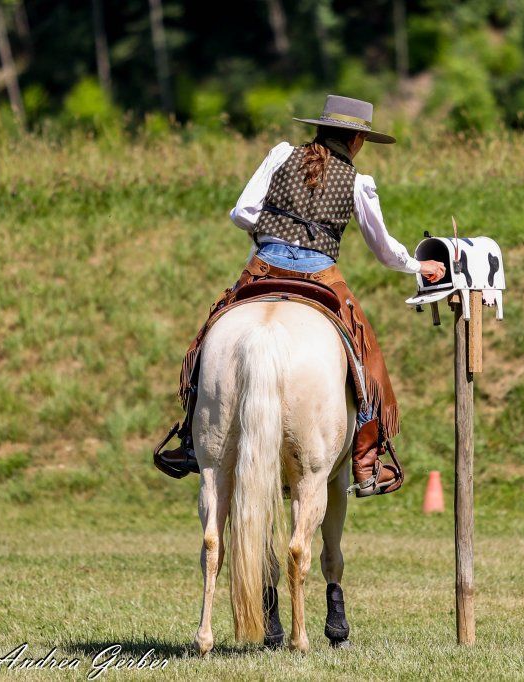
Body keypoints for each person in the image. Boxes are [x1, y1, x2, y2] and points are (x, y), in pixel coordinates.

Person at [153, 95, 445, 496]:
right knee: (366, 356)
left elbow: (241, 213)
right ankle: (366, 462)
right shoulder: (358, 183)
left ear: (319, 129)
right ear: (357, 141)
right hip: (319, 275)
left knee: (207, 338)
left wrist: (276, 223)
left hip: (264, 265)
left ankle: (190, 439)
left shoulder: (280, 155)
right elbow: (384, 249)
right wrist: (418, 266)